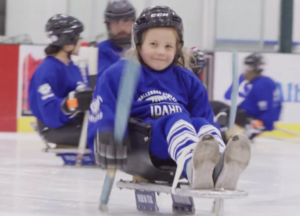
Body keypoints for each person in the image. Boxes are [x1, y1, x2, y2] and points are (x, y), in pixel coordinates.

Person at [88, 5, 251, 190]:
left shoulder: (187, 78)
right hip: (142, 144)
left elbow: (204, 115)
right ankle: (192, 168)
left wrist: (212, 133)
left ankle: (221, 168)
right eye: (153, 44)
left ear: (177, 48)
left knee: (201, 125)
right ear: (139, 44)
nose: (160, 52)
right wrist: (106, 132)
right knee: (177, 119)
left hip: (177, 140)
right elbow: (103, 108)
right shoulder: (120, 73)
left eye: (168, 46)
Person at [29, 14, 94, 146]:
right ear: (68, 41)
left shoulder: (72, 66)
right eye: (78, 37)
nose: (80, 41)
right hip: (55, 129)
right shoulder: (47, 69)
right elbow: (49, 113)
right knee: (106, 134)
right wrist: (75, 102)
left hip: (73, 123)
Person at [211, 53, 282, 141]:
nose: (244, 72)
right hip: (246, 118)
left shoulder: (262, 85)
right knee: (217, 106)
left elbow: (268, 110)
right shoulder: (263, 82)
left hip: (247, 121)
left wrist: (260, 124)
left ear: (252, 69)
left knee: (216, 108)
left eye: (246, 68)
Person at [96, 0, 136, 78]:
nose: (121, 28)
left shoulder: (141, 48)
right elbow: (103, 80)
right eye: (116, 22)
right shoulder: (100, 50)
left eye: (126, 21)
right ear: (108, 26)